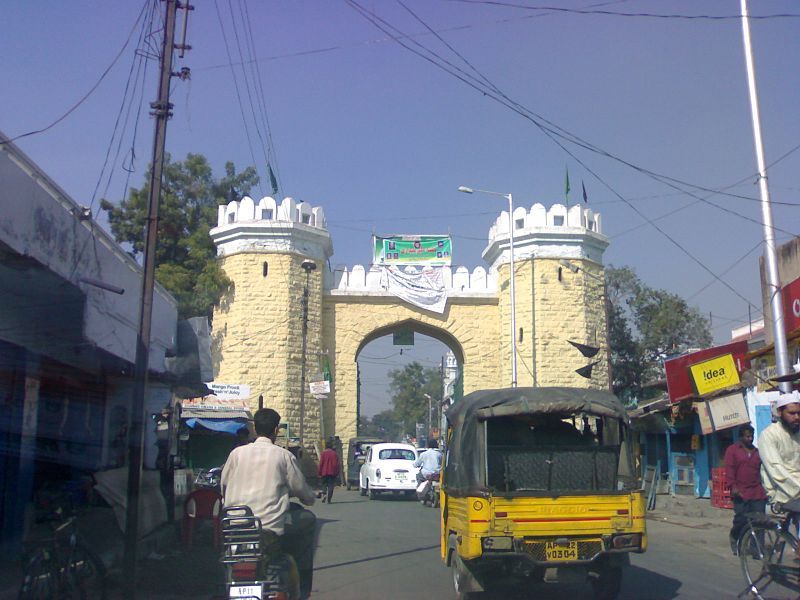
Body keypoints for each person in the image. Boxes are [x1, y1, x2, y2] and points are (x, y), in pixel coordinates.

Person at [221, 408, 317, 599]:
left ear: (255, 429)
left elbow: (223, 486)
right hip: (268, 530)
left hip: (234, 528)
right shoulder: (283, 456)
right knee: (309, 519)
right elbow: (305, 494)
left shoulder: (236, 454)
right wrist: (307, 497)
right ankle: (303, 585)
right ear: (276, 431)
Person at [724, 423, 767, 555]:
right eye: (747, 436)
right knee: (741, 520)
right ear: (741, 437)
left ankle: (756, 549)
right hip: (740, 492)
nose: (750, 439)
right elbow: (729, 470)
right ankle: (735, 538)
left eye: (751, 436)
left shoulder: (757, 452)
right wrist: (733, 487)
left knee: (759, 521)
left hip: (757, 492)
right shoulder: (732, 450)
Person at [758, 391, 800, 512]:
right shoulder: (769, 435)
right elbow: (776, 470)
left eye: (799, 413)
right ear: (780, 413)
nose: (797, 417)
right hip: (782, 493)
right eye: (792, 413)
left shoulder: (798, 433)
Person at [317, 439, 340, 504]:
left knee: (324, 484)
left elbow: (321, 463)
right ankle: (329, 499)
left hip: (324, 472)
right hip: (332, 473)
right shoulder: (334, 454)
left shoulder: (323, 453)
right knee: (330, 486)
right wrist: (337, 473)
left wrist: (319, 472)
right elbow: (336, 464)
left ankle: (324, 494)